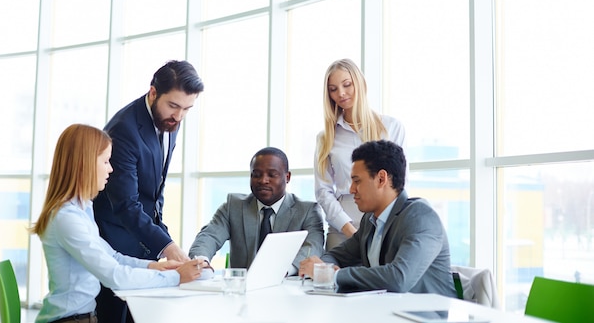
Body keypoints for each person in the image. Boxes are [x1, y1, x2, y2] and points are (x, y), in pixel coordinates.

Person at [30, 124, 205, 323]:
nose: (110, 169)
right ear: (84, 164)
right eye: (105, 161)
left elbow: (113, 257)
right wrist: (177, 277)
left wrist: (156, 267)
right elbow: (114, 276)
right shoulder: (67, 218)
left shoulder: (82, 209)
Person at [92, 60, 204, 323]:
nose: (178, 116)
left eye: (187, 109)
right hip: (116, 239)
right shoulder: (124, 130)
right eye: (173, 106)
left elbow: (154, 192)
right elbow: (126, 205)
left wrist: (162, 238)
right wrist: (166, 245)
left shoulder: (169, 122)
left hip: (142, 240)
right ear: (153, 93)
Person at [300, 140, 456, 297]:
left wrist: (333, 275)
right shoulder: (370, 220)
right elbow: (336, 256)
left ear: (381, 179)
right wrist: (323, 268)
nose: (351, 189)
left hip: (428, 316)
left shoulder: (421, 217)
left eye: (357, 181)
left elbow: (398, 278)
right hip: (384, 311)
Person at [315, 58, 407, 250]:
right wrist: (349, 229)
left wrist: (386, 225)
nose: (341, 93)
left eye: (346, 84)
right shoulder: (326, 138)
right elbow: (323, 191)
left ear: (360, 83)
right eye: (333, 89)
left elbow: (400, 182)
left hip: (384, 225)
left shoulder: (391, 127)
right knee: (336, 279)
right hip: (341, 227)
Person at [188, 147, 324, 275]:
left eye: (272, 175)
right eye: (256, 175)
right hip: (241, 291)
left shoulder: (307, 211)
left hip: (288, 287)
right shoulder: (233, 207)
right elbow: (209, 237)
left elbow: (312, 248)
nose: (263, 180)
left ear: (287, 177)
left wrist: (282, 271)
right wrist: (201, 261)